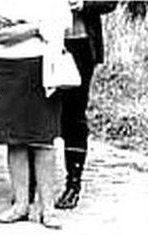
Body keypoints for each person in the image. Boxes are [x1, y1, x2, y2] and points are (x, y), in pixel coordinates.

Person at [0, 0, 70, 227]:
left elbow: (60, 25)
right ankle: (21, 204)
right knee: (14, 139)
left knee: (43, 139)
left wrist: (20, 26)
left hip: (41, 66)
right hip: (6, 66)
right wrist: (35, 27)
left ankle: (48, 208)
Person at [54, 0, 117, 210]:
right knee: (40, 112)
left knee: (73, 114)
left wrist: (82, 3)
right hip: (40, 44)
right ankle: (32, 182)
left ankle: (73, 182)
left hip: (80, 43)